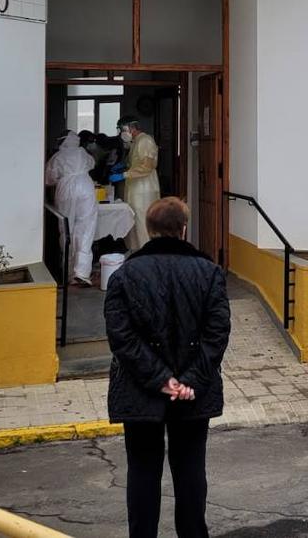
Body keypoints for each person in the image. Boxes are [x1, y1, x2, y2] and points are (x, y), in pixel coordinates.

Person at [105, 197, 231, 538]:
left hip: (140, 390)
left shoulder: (125, 275)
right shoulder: (209, 273)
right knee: (190, 469)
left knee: (143, 470)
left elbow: (122, 338)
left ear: (149, 230)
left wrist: (161, 380)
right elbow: (217, 334)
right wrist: (189, 381)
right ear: (184, 229)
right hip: (193, 392)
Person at [45, 132, 98, 286]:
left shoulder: (58, 157)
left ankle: (68, 272)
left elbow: (49, 179)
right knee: (86, 228)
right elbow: (92, 164)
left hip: (65, 188)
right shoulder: (83, 153)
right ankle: (81, 272)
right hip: (86, 187)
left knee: (66, 228)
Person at [115, 116, 161, 252]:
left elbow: (147, 166)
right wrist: (123, 166)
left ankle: (147, 252)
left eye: (122, 129)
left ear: (131, 128)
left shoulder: (145, 140)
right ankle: (136, 251)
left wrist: (124, 174)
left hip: (144, 190)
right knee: (133, 221)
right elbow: (134, 163)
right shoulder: (136, 142)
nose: (121, 133)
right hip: (135, 189)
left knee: (143, 222)